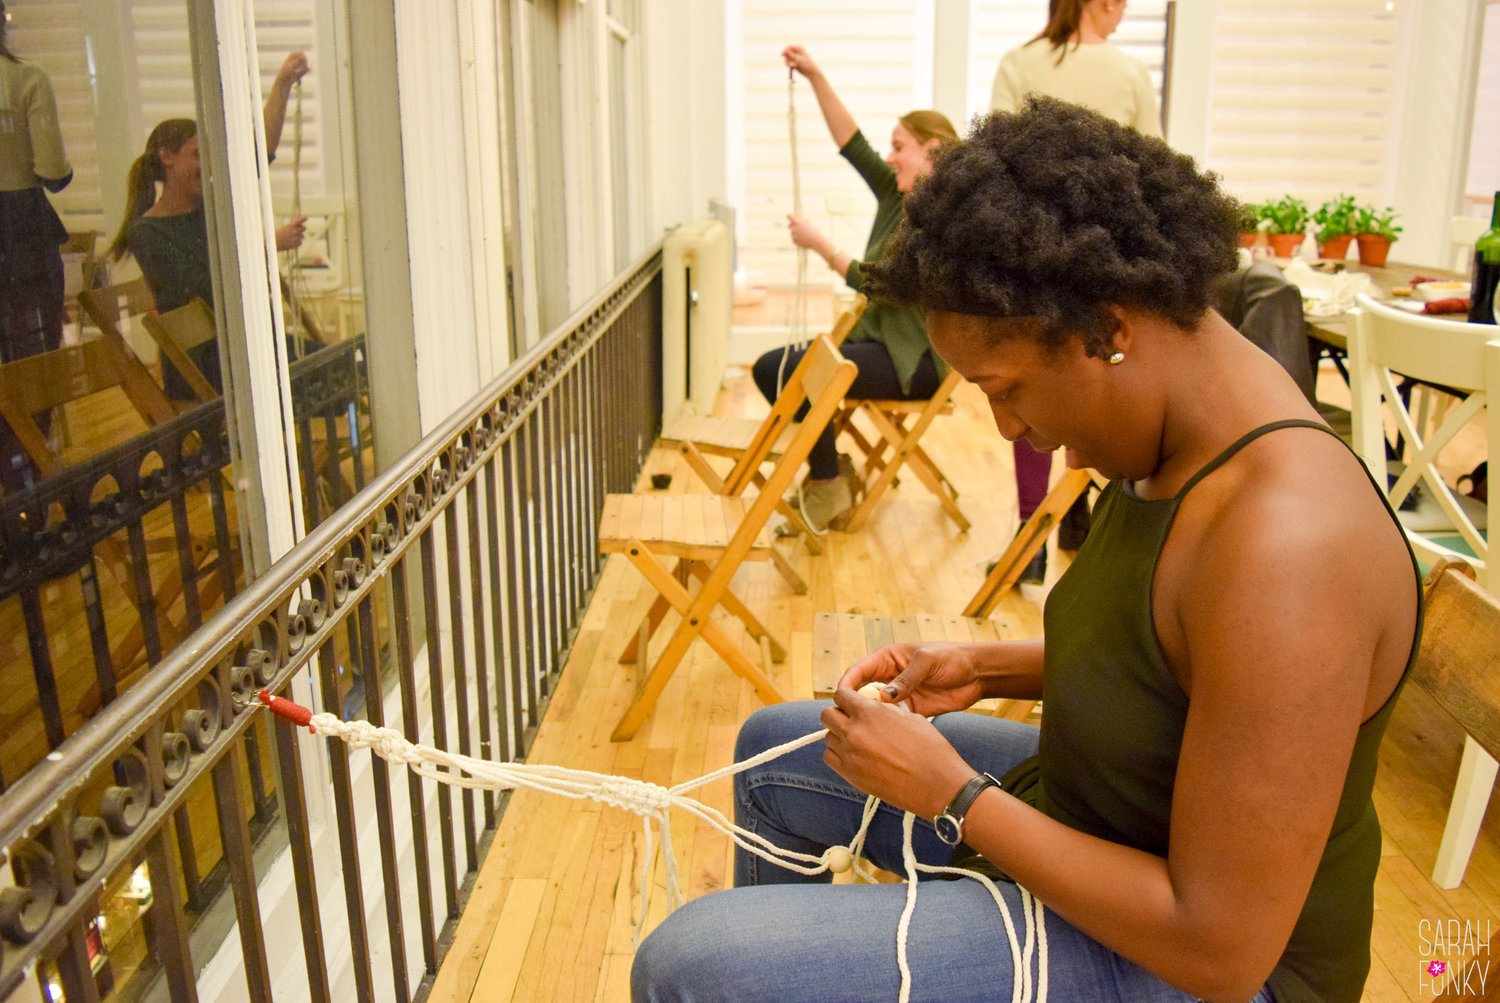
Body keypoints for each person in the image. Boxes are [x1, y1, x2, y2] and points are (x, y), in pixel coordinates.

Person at [632, 99, 1420, 1003]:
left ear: (1110, 329)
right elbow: (1186, 663)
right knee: (780, 753)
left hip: (1210, 968)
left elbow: (1221, 946)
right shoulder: (1178, 422)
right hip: (1104, 817)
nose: (1013, 429)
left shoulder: (1290, 548)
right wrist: (988, 662)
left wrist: (956, 795)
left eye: (1004, 389)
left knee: (692, 966)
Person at [750, 45, 956, 531]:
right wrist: (816, 74)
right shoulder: (895, 193)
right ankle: (832, 476)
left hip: (917, 363)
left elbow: (886, 285)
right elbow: (851, 141)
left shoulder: (947, 220)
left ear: (935, 151)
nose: (889, 156)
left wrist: (822, 245)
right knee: (771, 369)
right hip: (873, 345)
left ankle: (827, 486)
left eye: (900, 146)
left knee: (797, 373)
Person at [991, 0, 1162, 583]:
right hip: (1105, 259)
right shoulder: (1129, 74)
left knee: (1029, 388)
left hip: (1033, 258)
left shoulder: (1018, 64)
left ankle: (1030, 537)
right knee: (1096, 383)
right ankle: (1084, 515)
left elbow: (996, 168)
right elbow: (1152, 176)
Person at [107, 52, 310, 399]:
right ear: (166, 157)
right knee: (335, 368)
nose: (209, 165)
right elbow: (201, 292)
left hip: (236, 351)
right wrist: (266, 246)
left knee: (345, 358)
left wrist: (283, 84)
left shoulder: (206, 208)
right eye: (198, 155)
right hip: (205, 367)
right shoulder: (145, 233)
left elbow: (259, 154)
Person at [0, 0, 72, 492]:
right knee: (33, 360)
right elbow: (53, 171)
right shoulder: (25, 81)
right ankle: (28, 496)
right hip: (20, 228)